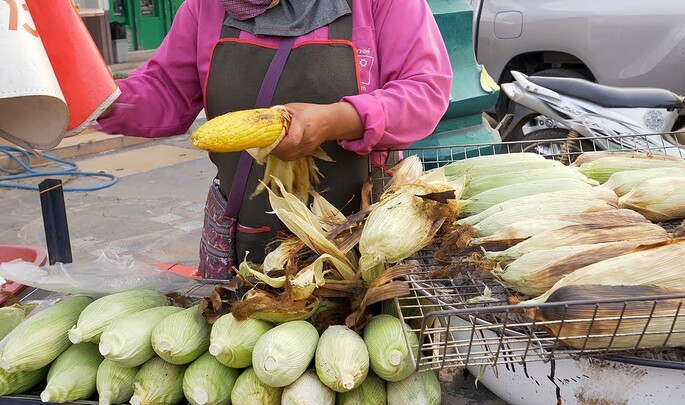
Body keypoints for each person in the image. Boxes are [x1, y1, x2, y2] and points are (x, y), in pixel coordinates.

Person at [96, 0, 453, 279]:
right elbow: (165, 93)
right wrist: (95, 101)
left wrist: (334, 120)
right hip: (243, 233)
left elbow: (425, 90)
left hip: (361, 237)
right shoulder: (205, 9)